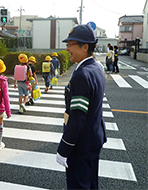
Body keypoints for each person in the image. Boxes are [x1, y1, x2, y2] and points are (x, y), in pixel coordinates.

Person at [56, 25, 107, 190]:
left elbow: (77, 117)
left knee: (79, 186)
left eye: (71, 44)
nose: (67, 48)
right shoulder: (97, 68)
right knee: (91, 183)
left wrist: (64, 148)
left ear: (85, 47)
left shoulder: (82, 75)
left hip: (81, 144)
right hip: (94, 138)